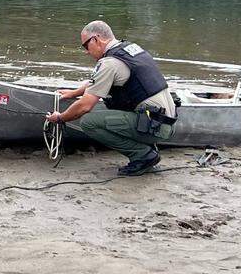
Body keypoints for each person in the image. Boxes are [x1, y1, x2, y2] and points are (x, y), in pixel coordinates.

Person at [45, 20, 178, 176]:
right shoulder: (129, 49)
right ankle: (147, 148)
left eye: (85, 46)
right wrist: (75, 93)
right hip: (164, 121)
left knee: (89, 122)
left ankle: (143, 156)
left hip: (155, 127)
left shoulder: (109, 63)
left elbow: (84, 106)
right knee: (107, 106)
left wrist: (60, 118)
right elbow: (99, 80)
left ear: (96, 39)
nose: (86, 52)